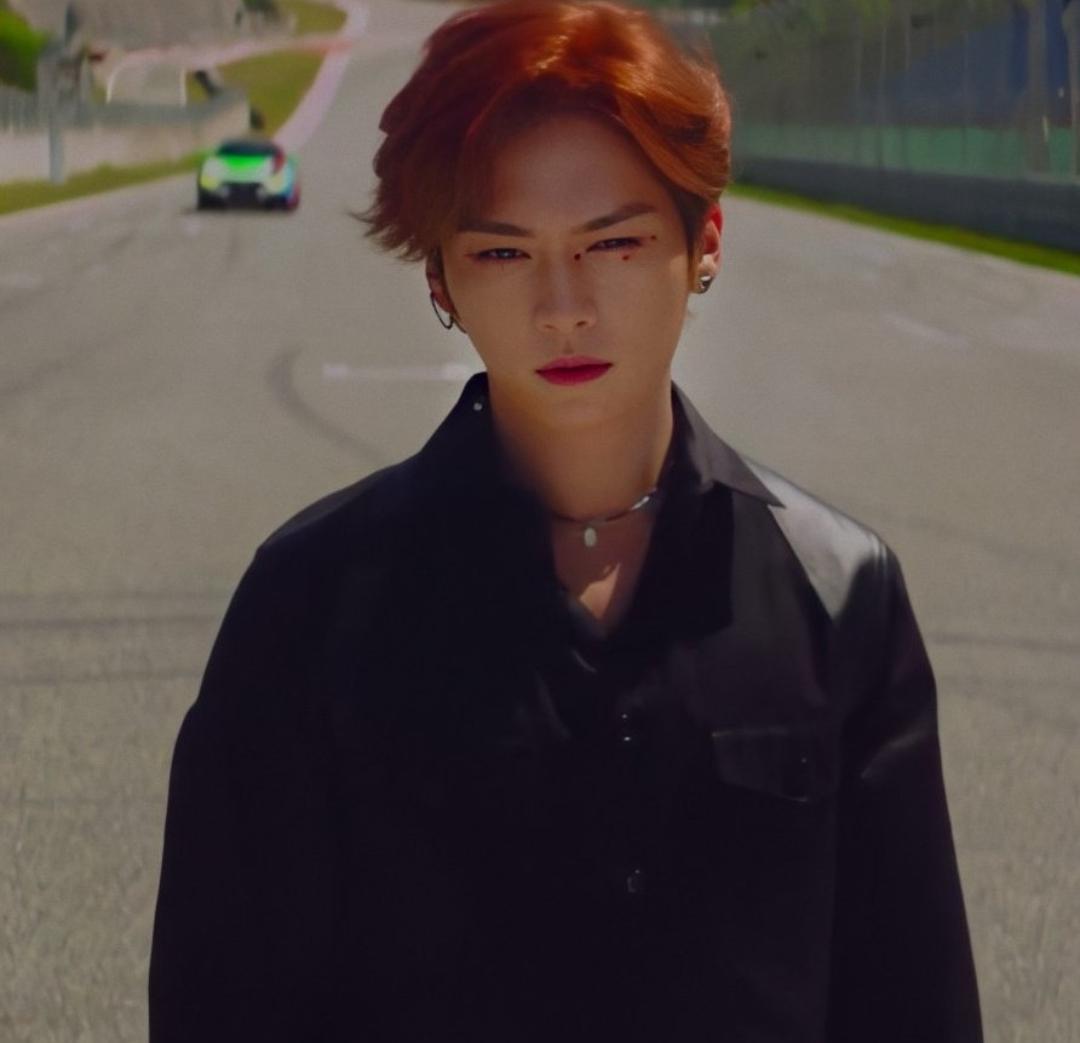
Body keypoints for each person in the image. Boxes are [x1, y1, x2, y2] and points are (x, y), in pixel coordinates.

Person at [148, 2, 984, 1040]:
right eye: (504, 254)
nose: (564, 307)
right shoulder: (307, 608)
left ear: (704, 241)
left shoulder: (839, 595)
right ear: (440, 276)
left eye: (616, 242)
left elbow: (912, 1004)